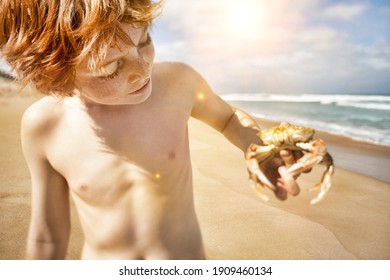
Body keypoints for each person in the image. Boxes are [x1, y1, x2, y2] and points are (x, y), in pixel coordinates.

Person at [0, 0, 301, 260]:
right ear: (55, 75)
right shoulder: (44, 126)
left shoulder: (177, 83)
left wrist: (259, 148)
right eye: (110, 68)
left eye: (144, 41)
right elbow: (47, 237)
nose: (142, 69)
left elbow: (228, 119)